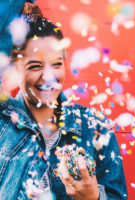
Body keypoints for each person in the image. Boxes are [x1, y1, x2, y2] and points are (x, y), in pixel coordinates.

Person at [0, 5, 127, 200]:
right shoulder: (3, 122)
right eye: (35, 66)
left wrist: (93, 197)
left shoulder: (95, 125)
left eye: (57, 64)